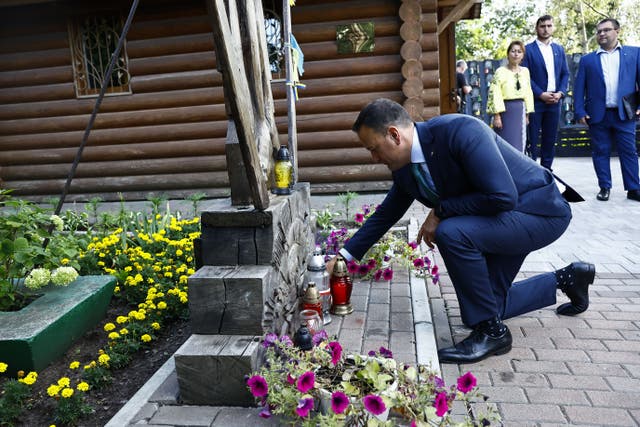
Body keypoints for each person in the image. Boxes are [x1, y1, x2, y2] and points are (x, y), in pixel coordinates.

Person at [327, 98, 595, 364]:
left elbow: (503, 197)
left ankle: (493, 333)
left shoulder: (460, 131)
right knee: (486, 306)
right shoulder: (405, 169)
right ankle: (569, 278)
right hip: (504, 218)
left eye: (373, 148)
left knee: (452, 233)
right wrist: (343, 259)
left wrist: (440, 212)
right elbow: (387, 214)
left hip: (539, 211)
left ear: (395, 135)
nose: (374, 157)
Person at [573, 18, 640, 202]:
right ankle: (604, 187)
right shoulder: (588, 60)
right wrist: (579, 111)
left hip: (624, 113)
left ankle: (634, 189)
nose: (601, 34)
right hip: (597, 114)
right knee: (600, 151)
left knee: (629, 151)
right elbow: (579, 88)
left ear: (617, 31)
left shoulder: (634, 54)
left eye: (606, 30)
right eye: (599, 31)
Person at [522, 15, 570, 170]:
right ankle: (532, 170)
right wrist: (540, 93)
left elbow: (565, 74)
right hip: (536, 101)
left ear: (553, 27)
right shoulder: (528, 50)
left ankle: (547, 170)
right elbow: (525, 76)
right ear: (537, 28)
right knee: (533, 138)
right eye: (542, 26)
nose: (546, 29)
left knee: (550, 138)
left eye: (549, 25)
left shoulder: (559, 49)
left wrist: (561, 92)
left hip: (555, 101)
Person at [487, 41, 535, 152]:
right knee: (504, 142)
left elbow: (528, 92)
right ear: (508, 54)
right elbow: (495, 92)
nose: (516, 54)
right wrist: (497, 115)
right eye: (513, 51)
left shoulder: (525, 71)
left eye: (519, 52)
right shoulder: (500, 71)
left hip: (520, 109)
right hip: (505, 110)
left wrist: (527, 114)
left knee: (519, 141)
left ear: (523, 55)